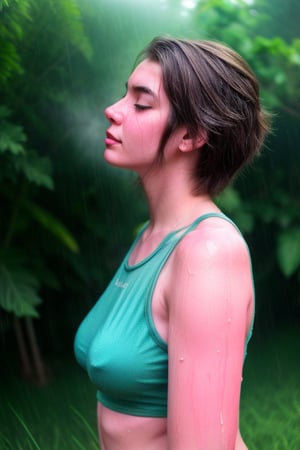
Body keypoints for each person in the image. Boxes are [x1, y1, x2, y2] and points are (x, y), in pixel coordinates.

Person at [74, 36, 270, 450]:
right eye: (124, 94)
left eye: (141, 103)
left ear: (192, 135)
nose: (113, 110)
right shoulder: (152, 237)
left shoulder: (208, 252)